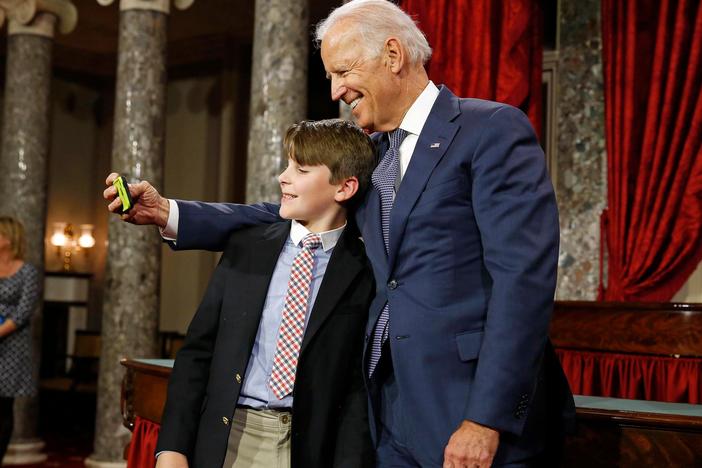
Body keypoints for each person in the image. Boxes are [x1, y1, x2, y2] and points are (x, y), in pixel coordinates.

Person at [106, 1, 575, 466]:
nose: (335, 91)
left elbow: (523, 282)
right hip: (386, 416)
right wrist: (170, 213)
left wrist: (486, 419)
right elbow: (283, 214)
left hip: (466, 409)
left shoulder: (488, 129)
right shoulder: (371, 154)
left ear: (393, 55)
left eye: (343, 70)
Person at [154, 119, 377, 468]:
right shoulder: (248, 248)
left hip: (308, 448)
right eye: (287, 165)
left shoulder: (364, 269)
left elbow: (355, 388)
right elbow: (197, 353)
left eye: (300, 169)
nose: (283, 177)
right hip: (230, 438)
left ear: (345, 188)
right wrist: (172, 448)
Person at [0, 217, 41, 462]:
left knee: (3, 407)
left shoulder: (27, 272)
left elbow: (23, 312)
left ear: (9, 238)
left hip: (12, 347)